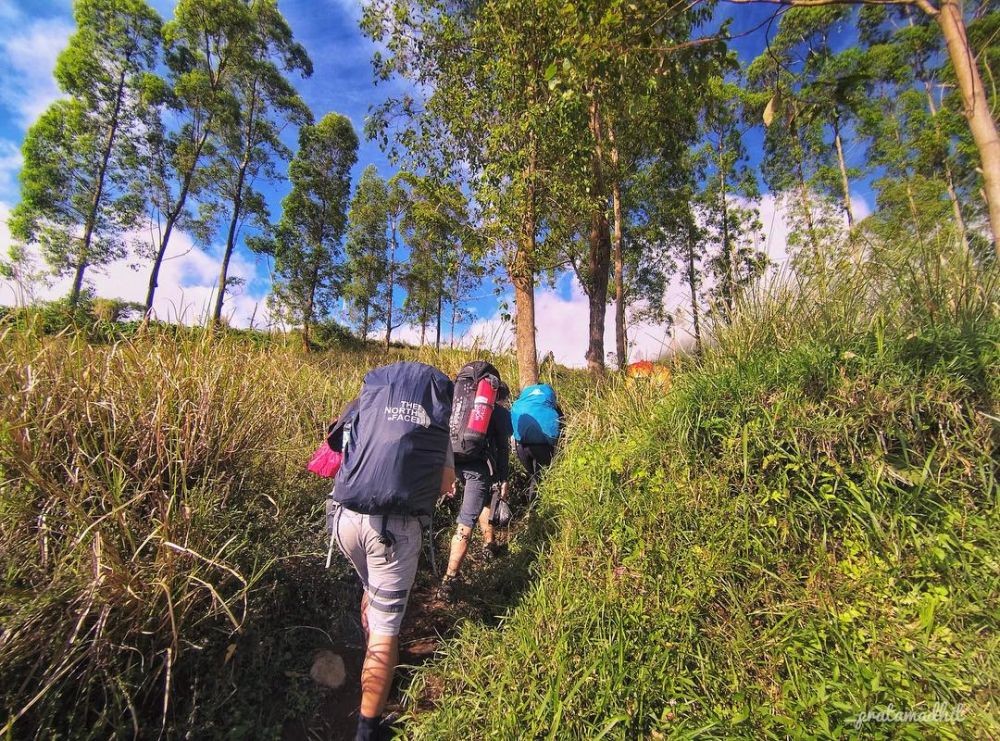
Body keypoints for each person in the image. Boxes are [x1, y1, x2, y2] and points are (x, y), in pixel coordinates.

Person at [327, 361, 454, 741]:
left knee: (371, 589)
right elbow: (446, 483)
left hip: (345, 519)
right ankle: (367, 730)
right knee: (386, 631)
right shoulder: (435, 422)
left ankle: (374, 654)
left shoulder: (369, 403)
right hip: (392, 531)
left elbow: (336, 447)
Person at [438, 361, 512, 601]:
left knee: (481, 502)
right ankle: (449, 580)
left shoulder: (456, 403)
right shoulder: (498, 412)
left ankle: (489, 545)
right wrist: (503, 478)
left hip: (449, 460)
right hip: (477, 467)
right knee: (466, 521)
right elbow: (503, 449)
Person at [511, 383, 563, 500]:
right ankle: (535, 512)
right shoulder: (550, 405)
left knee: (533, 476)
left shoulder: (521, 402)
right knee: (539, 479)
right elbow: (562, 425)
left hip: (521, 446)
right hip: (543, 446)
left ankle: (526, 505)